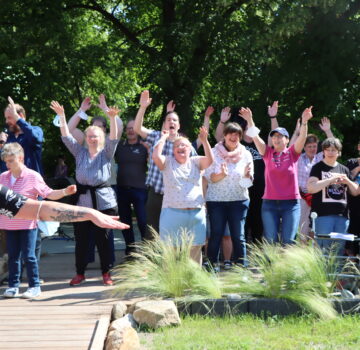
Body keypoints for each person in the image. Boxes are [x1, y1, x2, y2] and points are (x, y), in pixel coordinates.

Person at [50, 100, 119, 287]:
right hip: (82, 202)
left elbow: (113, 137)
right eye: (89, 135)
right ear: (86, 138)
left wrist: (112, 118)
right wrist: (62, 117)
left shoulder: (107, 153)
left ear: (101, 138)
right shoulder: (79, 153)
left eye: (95, 136)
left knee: (104, 240)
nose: (92, 138)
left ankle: (106, 272)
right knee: (81, 241)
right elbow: (66, 136)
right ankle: (80, 273)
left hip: (104, 203)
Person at [0, 143, 76, 298]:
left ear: (20, 158)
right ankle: (13, 286)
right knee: (13, 256)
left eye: (11, 160)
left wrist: (64, 191)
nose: (7, 164)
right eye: (6, 161)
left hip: (28, 224)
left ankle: (34, 286)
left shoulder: (32, 176)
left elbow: (48, 193)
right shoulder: (2, 177)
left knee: (29, 256)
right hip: (8, 224)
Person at [239, 106, 313, 244]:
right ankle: (270, 264)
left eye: (280, 136)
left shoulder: (292, 153)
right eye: (273, 136)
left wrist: (304, 122)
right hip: (269, 203)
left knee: (288, 240)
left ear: (287, 139)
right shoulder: (267, 153)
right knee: (270, 239)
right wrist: (249, 119)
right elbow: (255, 136)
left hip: (291, 204)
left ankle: (285, 265)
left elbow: (302, 137)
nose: (276, 139)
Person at [66, 95, 122, 265]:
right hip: (86, 192)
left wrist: (106, 109)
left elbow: (118, 125)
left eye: (99, 127)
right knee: (85, 233)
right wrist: (81, 110)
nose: (94, 131)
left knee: (105, 232)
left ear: (104, 129)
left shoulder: (108, 146)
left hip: (106, 189)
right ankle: (86, 262)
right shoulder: (83, 143)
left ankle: (108, 264)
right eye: (92, 128)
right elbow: (68, 129)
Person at [133, 90, 197, 238]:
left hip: (178, 195)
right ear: (164, 124)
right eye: (169, 120)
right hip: (156, 194)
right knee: (152, 232)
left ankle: (174, 260)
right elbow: (137, 129)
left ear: (179, 125)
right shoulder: (156, 136)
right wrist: (143, 107)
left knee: (175, 233)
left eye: (174, 120)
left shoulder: (185, 145)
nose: (171, 122)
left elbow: (196, 169)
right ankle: (152, 261)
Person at [152, 127, 213, 264]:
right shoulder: (167, 162)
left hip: (196, 214)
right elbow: (155, 156)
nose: (180, 147)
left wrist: (204, 141)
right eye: (177, 145)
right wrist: (163, 138)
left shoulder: (196, 161)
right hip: (172, 213)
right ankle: (171, 283)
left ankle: (193, 283)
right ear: (173, 151)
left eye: (184, 145)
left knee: (195, 253)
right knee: (170, 253)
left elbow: (210, 160)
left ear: (190, 149)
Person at [205, 122, 253, 269]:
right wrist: (221, 175)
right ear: (224, 135)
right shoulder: (213, 153)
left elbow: (248, 184)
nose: (234, 136)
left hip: (239, 201)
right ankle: (211, 266)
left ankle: (241, 268)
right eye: (231, 133)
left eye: (237, 134)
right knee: (216, 234)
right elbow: (209, 177)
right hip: (216, 201)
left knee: (238, 237)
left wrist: (246, 176)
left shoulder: (246, 154)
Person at [307, 138, 359, 253]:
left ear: (338, 152)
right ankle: (321, 271)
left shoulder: (344, 169)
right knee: (323, 250)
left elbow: (355, 192)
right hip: (323, 215)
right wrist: (331, 179)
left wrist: (348, 182)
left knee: (338, 250)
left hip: (343, 217)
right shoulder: (317, 167)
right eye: (328, 150)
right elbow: (311, 188)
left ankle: (336, 271)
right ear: (323, 152)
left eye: (333, 150)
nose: (330, 153)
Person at [115, 119, 148, 256]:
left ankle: (147, 251)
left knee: (143, 221)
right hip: (122, 189)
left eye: (133, 128)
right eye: (128, 128)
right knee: (125, 222)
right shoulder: (119, 146)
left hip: (140, 189)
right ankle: (130, 249)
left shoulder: (144, 146)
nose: (130, 130)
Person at [2, 97, 43, 175]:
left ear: (20, 116)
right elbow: (4, 164)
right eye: (6, 118)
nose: (6, 121)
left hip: (31, 183)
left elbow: (35, 138)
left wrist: (18, 119)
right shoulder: (8, 137)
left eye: (9, 117)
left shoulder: (36, 130)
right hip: (11, 184)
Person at [345, 141, 360, 255]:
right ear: (358, 147)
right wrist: (358, 168)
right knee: (351, 236)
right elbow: (346, 179)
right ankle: (351, 263)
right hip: (352, 206)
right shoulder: (351, 162)